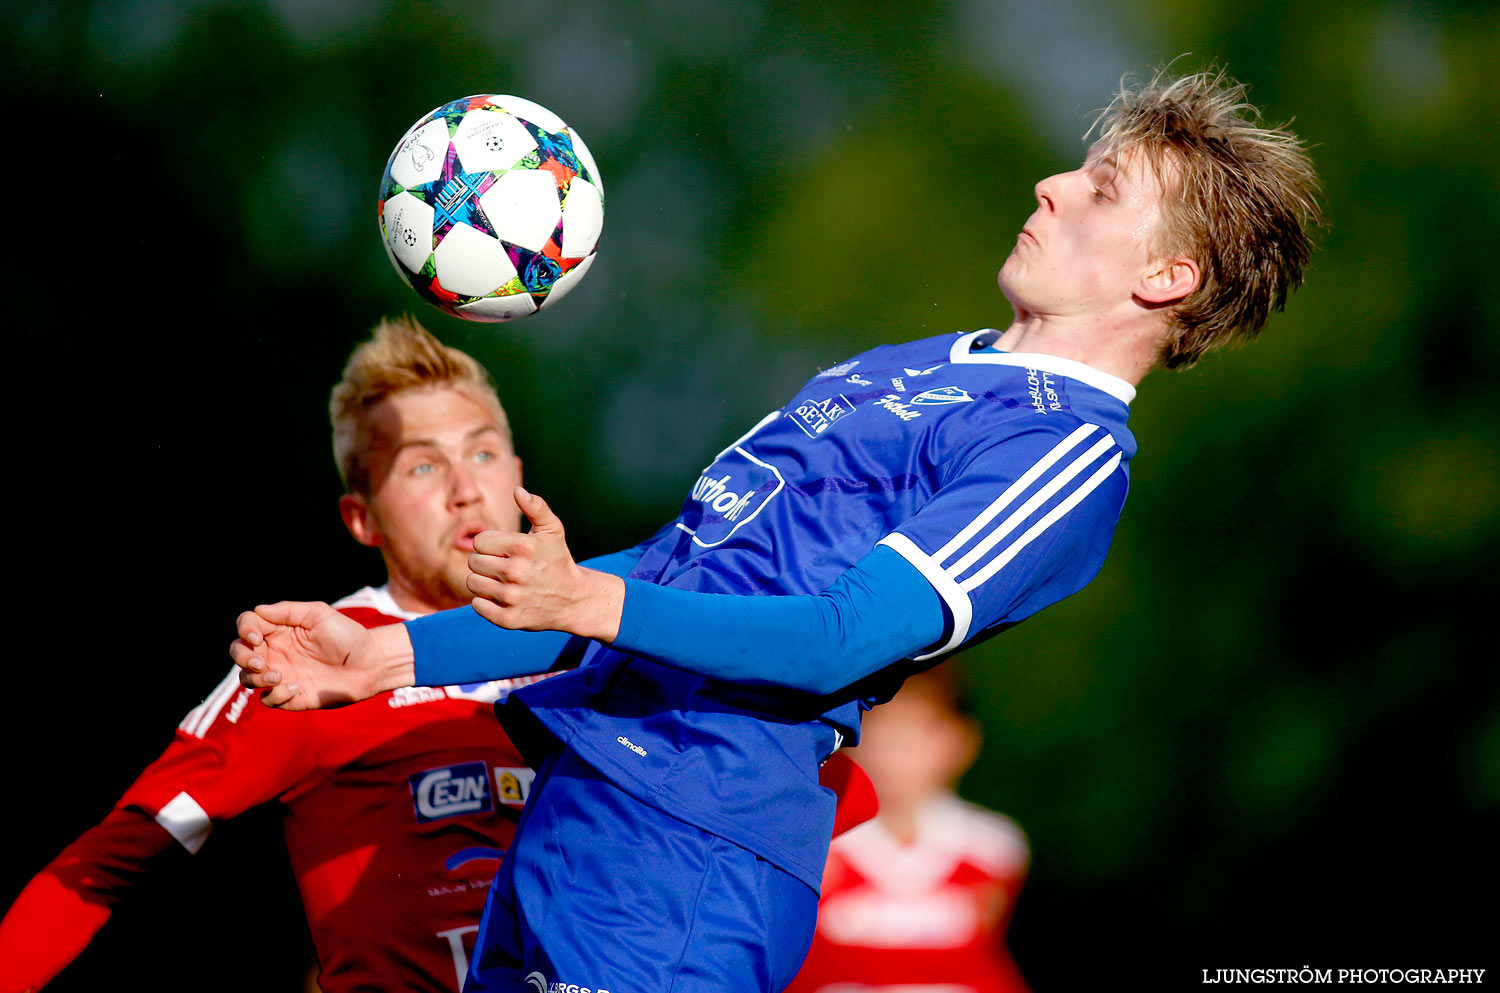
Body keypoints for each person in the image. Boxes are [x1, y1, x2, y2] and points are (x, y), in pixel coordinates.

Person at [232, 67, 1322, 993]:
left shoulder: (1064, 453)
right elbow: (671, 572)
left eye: (1102, 188)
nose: (1051, 185)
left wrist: (587, 601)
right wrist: (394, 653)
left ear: (1165, 275)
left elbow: (844, 638)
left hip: (688, 857)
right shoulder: (919, 363)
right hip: (584, 807)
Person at [0, 316, 545, 992]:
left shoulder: (596, 647)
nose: (466, 488)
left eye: (484, 454)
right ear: (362, 516)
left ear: (519, 475)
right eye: (424, 464)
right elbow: (109, 858)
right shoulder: (313, 662)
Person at [784, 666, 1032, 993]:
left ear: (960, 741)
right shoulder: (814, 846)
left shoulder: (994, 850)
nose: (892, 758)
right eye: (880, 738)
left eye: (910, 739)